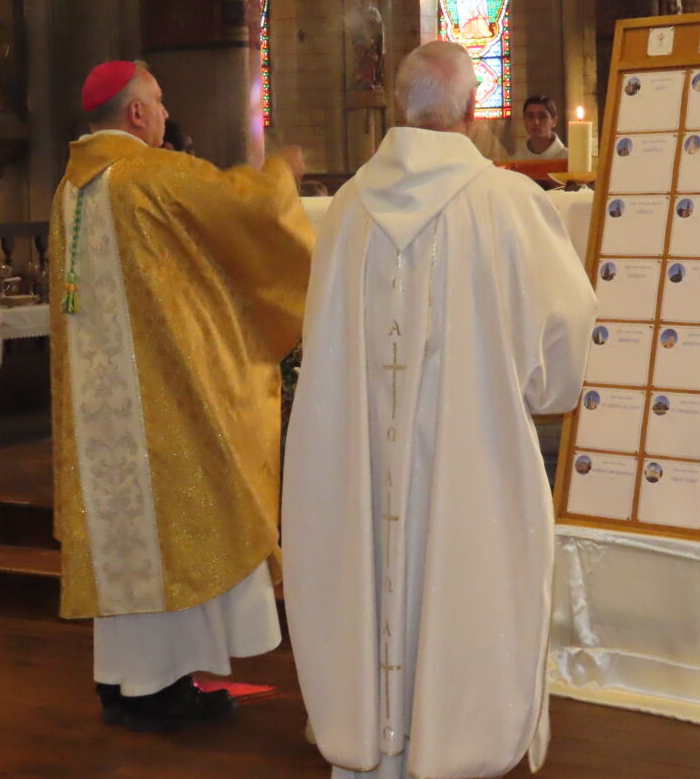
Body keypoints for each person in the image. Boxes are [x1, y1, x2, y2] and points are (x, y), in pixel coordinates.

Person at [283, 41, 596, 779]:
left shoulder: (347, 208)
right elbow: (566, 334)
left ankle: (371, 742)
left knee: (370, 572)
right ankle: (454, 747)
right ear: (471, 111)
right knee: (468, 578)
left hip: (361, 464)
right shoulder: (507, 202)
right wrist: (540, 389)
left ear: (401, 108)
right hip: (471, 458)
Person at [49, 61, 313, 731]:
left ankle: (122, 676)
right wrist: (283, 173)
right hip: (163, 402)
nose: (166, 116)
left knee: (124, 537)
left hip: (100, 409)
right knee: (186, 526)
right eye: (160, 103)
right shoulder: (152, 176)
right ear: (135, 114)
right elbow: (248, 210)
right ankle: (157, 686)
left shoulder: (69, 191)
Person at [506, 95, 568, 161]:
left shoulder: (569, 158)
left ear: (554, 121)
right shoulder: (515, 160)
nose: (536, 122)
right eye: (530, 116)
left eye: (542, 116)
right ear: (524, 120)